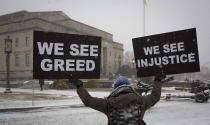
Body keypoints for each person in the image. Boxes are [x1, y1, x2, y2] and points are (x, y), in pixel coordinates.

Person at [69, 69, 166, 125]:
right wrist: (157, 80)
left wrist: (79, 86)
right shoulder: (141, 101)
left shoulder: (108, 103)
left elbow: (88, 100)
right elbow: (155, 96)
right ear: (129, 87)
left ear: (115, 89)